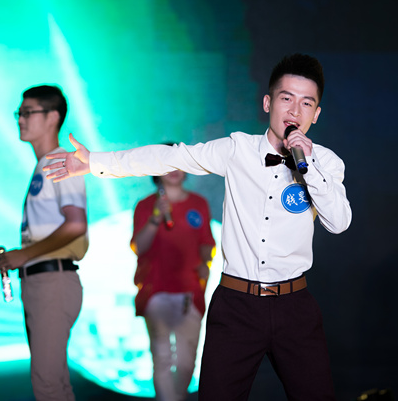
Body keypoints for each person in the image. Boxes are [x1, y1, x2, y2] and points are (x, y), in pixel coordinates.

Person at [44, 53, 351, 401]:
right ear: (268, 103)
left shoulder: (327, 163)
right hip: (237, 305)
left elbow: (339, 222)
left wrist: (308, 167)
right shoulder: (237, 149)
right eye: (286, 98)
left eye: (306, 103)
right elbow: (170, 156)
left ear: (316, 114)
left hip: (294, 305)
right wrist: (95, 163)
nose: (295, 111)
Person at [0, 85, 88, 401]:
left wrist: (23, 256)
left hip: (52, 280)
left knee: (47, 383)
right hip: (42, 280)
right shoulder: (46, 164)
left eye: (27, 112)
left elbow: (76, 224)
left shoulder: (61, 161)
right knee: (54, 383)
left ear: (53, 117)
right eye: (19, 113)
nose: (20, 119)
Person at [132, 164, 215, 401]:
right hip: (155, 290)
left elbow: (207, 242)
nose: (173, 170)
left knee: (187, 362)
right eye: (166, 165)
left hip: (190, 290)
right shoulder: (146, 205)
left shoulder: (198, 203)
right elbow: (138, 247)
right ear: (156, 172)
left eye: (178, 164)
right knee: (162, 358)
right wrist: (155, 218)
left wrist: (206, 262)